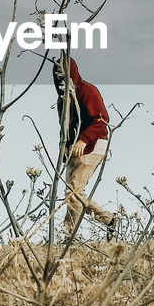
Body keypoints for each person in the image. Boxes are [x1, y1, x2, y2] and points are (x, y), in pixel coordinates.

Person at [51, 55, 116, 238]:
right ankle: (108, 220)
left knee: (72, 193)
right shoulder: (62, 100)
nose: (59, 77)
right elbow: (64, 126)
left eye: (62, 72)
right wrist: (63, 145)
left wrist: (84, 139)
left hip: (93, 144)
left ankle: (70, 236)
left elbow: (102, 120)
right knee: (72, 193)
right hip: (74, 148)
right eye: (56, 74)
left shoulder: (88, 91)